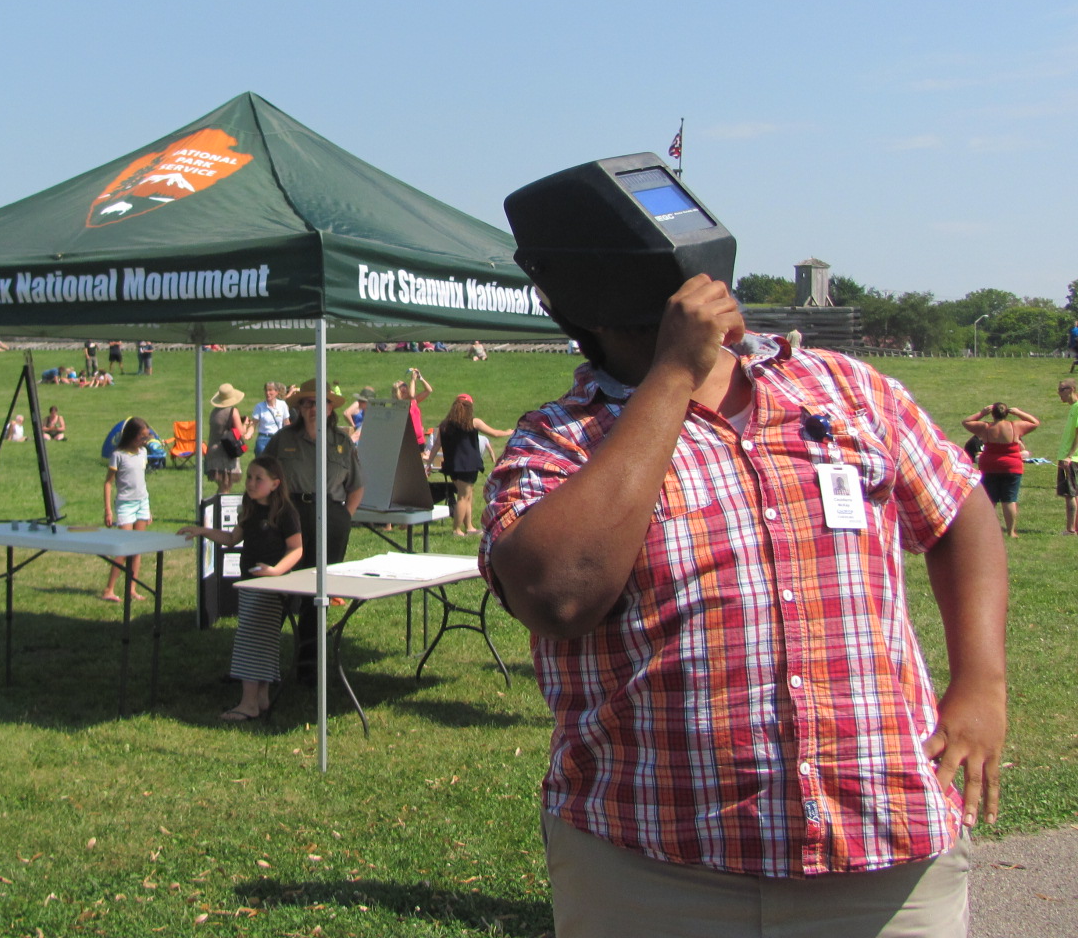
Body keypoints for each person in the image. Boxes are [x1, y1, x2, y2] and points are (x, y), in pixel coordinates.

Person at [482, 270, 1006, 938]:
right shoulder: (559, 440)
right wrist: (673, 374)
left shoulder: (846, 388)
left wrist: (982, 684)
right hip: (651, 865)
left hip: (884, 853)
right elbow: (558, 595)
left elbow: (960, 509)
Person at [177, 456, 304, 721]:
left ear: (275, 484)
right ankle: (261, 699)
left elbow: (296, 548)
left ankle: (248, 704)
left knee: (250, 641)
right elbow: (232, 539)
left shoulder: (285, 512)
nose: (251, 483)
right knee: (261, 641)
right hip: (248, 583)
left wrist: (275, 571)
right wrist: (203, 531)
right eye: (249, 477)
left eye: (259, 479)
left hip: (271, 586)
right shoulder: (250, 507)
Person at [267, 379, 363, 682]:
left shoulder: (342, 442)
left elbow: (357, 487)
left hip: (330, 517)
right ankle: (261, 666)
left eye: (319, 403)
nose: (312, 408)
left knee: (316, 593)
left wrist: (341, 518)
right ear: (299, 408)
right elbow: (261, 476)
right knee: (278, 589)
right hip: (291, 516)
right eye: (306, 403)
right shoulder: (282, 440)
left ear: (331, 408)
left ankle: (308, 665)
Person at [427, 393, 512, 536]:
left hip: (452, 465)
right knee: (463, 496)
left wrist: (429, 463)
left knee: (468, 495)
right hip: (468, 465)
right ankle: (457, 529)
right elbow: (495, 434)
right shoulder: (473, 422)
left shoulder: (445, 425)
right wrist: (509, 432)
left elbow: (436, 445)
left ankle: (470, 526)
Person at [962, 402, 1040, 539]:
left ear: (993, 414)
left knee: (990, 500)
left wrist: (982, 413)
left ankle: (986, 529)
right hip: (1012, 466)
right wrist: (1018, 412)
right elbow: (1035, 422)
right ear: (1007, 413)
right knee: (1009, 500)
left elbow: (966, 422)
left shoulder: (985, 427)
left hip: (990, 466)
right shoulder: (1015, 426)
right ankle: (1011, 531)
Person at [101, 417, 153, 602]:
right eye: (142, 437)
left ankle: (132, 589)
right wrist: (108, 510)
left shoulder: (143, 453)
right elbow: (108, 483)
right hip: (125, 504)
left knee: (137, 549)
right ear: (132, 436)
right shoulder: (118, 455)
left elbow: (141, 482)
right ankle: (109, 589)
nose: (144, 441)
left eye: (146, 437)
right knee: (123, 550)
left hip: (142, 503)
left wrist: (148, 510)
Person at [205, 383, 250, 494]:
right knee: (225, 486)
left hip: (212, 451)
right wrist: (246, 424)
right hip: (225, 452)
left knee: (222, 486)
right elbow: (240, 433)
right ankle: (221, 510)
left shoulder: (214, 412)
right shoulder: (232, 411)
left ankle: (218, 508)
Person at [392, 368, 434, 446]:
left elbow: (429, 390)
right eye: (402, 386)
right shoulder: (399, 404)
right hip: (408, 440)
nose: (405, 386)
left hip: (420, 440)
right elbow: (411, 395)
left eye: (405, 384)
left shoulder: (413, 401)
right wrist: (413, 380)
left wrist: (420, 378)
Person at [1057, 379, 1078, 535]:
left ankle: (1070, 529)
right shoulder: (1073, 408)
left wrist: (1069, 456)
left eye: (1061, 390)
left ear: (1071, 389)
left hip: (1071, 459)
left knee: (1070, 493)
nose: (1059, 393)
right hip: (1068, 457)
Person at [249, 382, 290, 454]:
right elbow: (253, 424)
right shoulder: (259, 406)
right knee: (262, 463)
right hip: (263, 439)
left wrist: (290, 436)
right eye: (266, 390)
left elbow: (286, 422)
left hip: (277, 438)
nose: (268, 393)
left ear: (276, 392)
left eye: (270, 390)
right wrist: (249, 433)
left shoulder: (282, 405)